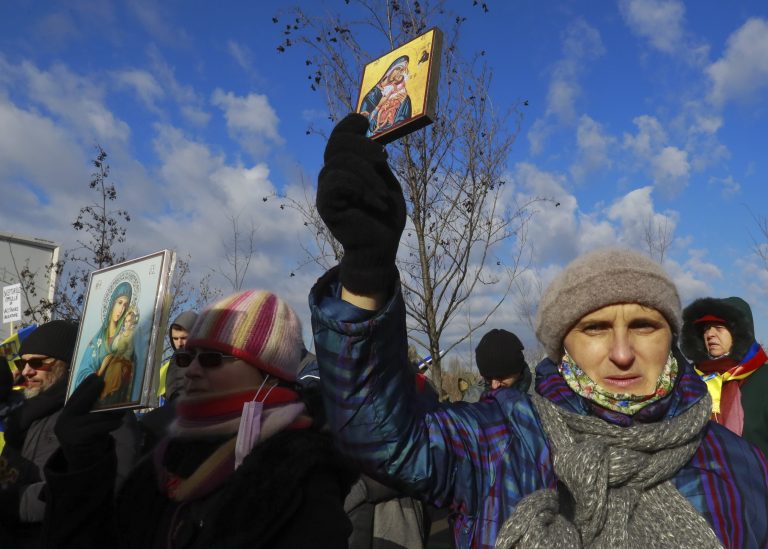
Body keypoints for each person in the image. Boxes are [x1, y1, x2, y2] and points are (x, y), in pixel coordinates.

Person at [310, 114, 768, 548]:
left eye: (645, 326)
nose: (622, 352)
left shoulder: (743, 465)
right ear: (563, 345)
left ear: (669, 336)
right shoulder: (504, 442)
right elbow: (378, 436)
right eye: (595, 328)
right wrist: (366, 270)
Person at [43, 289, 356, 548]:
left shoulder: (302, 470)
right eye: (186, 356)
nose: (191, 369)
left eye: (211, 358)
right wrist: (83, 465)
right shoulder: (164, 455)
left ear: (269, 375)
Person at [0, 320, 138, 548]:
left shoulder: (102, 415)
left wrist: (17, 502)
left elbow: (107, 487)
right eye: (21, 362)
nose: (26, 371)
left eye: (37, 362)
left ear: (67, 365)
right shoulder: (25, 417)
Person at [681, 296, 768, 456]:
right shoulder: (689, 381)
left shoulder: (763, 379)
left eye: (719, 327)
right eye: (706, 329)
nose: (710, 334)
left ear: (740, 333)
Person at [75, 280, 136, 405]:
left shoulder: (126, 337)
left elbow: (133, 364)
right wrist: (101, 370)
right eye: (119, 303)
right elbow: (82, 372)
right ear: (111, 304)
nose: (122, 309)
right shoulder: (97, 339)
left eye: (126, 304)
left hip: (115, 401)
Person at [462, 329, 531, 403]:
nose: (494, 385)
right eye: (488, 378)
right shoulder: (474, 399)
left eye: (500, 377)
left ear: (517, 370)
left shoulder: (540, 394)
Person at [359, 55, 412, 137]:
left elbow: (400, 121)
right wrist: (379, 105)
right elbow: (363, 124)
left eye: (402, 71)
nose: (399, 73)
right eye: (398, 69)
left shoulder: (403, 98)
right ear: (391, 70)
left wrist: (401, 104)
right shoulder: (372, 95)